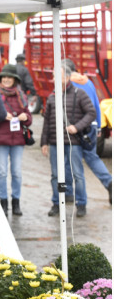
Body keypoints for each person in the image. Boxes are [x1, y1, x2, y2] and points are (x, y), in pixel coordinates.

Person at [41, 65, 96, 218]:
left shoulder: (80, 94)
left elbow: (91, 113)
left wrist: (77, 127)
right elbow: (47, 121)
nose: (53, 79)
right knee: (55, 175)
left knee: (77, 174)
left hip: (74, 142)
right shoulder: (52, 96)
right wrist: (44, 142)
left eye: (55, 75)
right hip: (54, 142)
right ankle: (57, 203)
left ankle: (81, 204)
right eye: (53, 76)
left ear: (66, 77)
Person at [62, 59, 112, 203]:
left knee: (68, 160)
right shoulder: (87, 81)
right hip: (90, 126)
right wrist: (97, 125)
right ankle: (109, 182)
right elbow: (96, 103)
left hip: (76, 127)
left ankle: (69, 193)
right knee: (92, 157)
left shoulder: (68, 83)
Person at [0, 64, 32, 216]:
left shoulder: (21, 95)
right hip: (0, 139)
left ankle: (16, 202)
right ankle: (3, 202)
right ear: (0, 79)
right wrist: (1, 116)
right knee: (2, 172)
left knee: (16, 172)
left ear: (15, 80)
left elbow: (29, 118)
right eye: (5, 77)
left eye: (10, 77)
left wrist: (25, 117)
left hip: (18, 141)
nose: (7, 79)